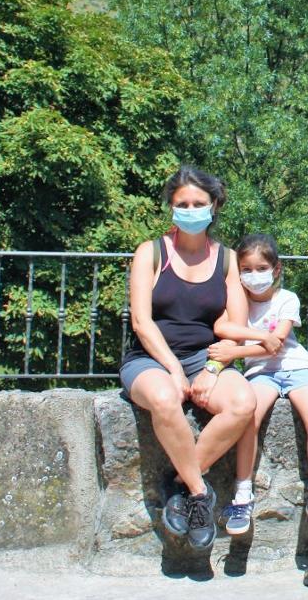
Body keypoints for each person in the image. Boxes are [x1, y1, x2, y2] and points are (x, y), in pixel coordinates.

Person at [119, 166, 259, 550]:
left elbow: (235, 327)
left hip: (206, 357)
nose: (191, 209)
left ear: (214, 206)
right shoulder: (150, 253)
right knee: (165, 399)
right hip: (149, 358)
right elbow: (142, 322)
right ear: (171, 208)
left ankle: (178, 487)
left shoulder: (228, 260)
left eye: (199, 203)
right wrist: (174, 369)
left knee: (243, 402)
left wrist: (213, 368)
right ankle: (200, 494)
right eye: (182, 204)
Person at [207, 234, 308, 537]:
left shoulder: (286, 299)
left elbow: (276, 345)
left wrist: (234, 352)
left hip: (294, 366)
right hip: (260, 372)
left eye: (260, 268)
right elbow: (221, 326)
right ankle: (242, 494)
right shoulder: (238, 303)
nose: (254, 275)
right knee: (248, 416)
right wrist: (253, 342)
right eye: (246, 269)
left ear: (276, 269)